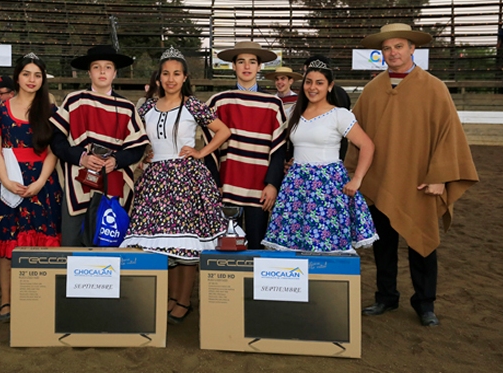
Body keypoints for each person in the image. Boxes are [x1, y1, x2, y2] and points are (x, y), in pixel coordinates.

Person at [348, 23, 478, 327]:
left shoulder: (434, 87)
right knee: (384, 244)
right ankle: (386, 297)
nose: (392, 53)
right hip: (380, 179)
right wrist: (355, 173)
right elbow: (356, 133)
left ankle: (425, 302)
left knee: (422, 242)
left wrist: (441, 177)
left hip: (421, 181)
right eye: (386, 48)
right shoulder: (372, 90)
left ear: (412, 49)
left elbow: (449, 135)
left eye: (398, 47)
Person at [121, 47, 231, 324]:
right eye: (166, 73)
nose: (171, 79)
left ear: (185, 77)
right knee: (163, 244)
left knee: (186, 243)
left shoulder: (193, 104)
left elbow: (224, 131)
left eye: (177, 74)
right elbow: (137, 138)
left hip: (186, 179)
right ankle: (170, 297)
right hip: (155, 179)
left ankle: (183, 301)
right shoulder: (145, 106)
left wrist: (201, 152)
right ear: (158, 77)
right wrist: (145, 154)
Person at [262, 55, 377, 253]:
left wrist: (357, 179)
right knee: (293, 243)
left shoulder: (339, 115)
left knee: (323, 243)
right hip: (296, 185)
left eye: (319, 83)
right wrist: (289, 163)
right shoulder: (292, 113)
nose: (312, 87)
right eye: (308, 82)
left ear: (329, 86)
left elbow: (367, 145)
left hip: (328, 186)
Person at [0, 53, 61, 323]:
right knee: (8, 246)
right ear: (17, 76)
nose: (32, 79)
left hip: (43, 185)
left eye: (37, 75)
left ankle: (41, 299)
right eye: (27, 74)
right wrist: (5, 181)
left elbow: (53, 151)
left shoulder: (50, 112)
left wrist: (39, 183)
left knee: (43, 243)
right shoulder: (1, 109)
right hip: (9, 183)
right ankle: (7, 301)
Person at [50, 45, 149, 246]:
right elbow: (56, 140)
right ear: (89, 72)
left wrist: (116, 160)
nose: (102, 72)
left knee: (108, 241)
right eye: (96, 67)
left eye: (108, 67)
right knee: (73, 242)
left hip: (112, 180)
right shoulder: (74, 100)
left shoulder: (127, 107)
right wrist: (81, 157)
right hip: (78, 180)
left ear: (115, 72)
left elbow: (137, 147)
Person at [204, 41, 286, 250]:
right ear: (233, 66)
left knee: (256, 246)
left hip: (259, 189)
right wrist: (215, 183)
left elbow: (279, 149)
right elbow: (208, 148)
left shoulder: (273, 104)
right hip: (227, 186)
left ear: (260, 67)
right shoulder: (219, 101)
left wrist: (272, 184)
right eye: (241, 62)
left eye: (252, 62)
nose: (246, 67)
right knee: (226, 247)